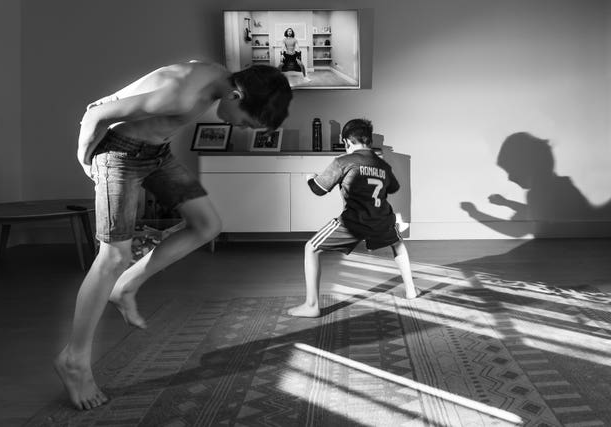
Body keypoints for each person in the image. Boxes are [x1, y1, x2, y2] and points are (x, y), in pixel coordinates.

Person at [54, 61, 292, 410]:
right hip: (118, 154)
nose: (239, 127)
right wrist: (86, 159)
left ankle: (127, 285)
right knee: (113, 256)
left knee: (207, 226)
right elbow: (97, 115)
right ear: (236, 95)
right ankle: (74, 359)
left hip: (155, 154)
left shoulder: (218, 78)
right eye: (244, 121)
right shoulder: (183, 97)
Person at [288, 119, 418, 318]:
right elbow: (394, 188)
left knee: (311, 248)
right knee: (397, 243)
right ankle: (411, 290)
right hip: (381, 220)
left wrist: (309, 178)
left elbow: (318, 190)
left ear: (347, 141)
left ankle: (312, 305)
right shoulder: (382, 164)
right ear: (368, 140)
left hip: (353, 223)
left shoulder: (343, 161)